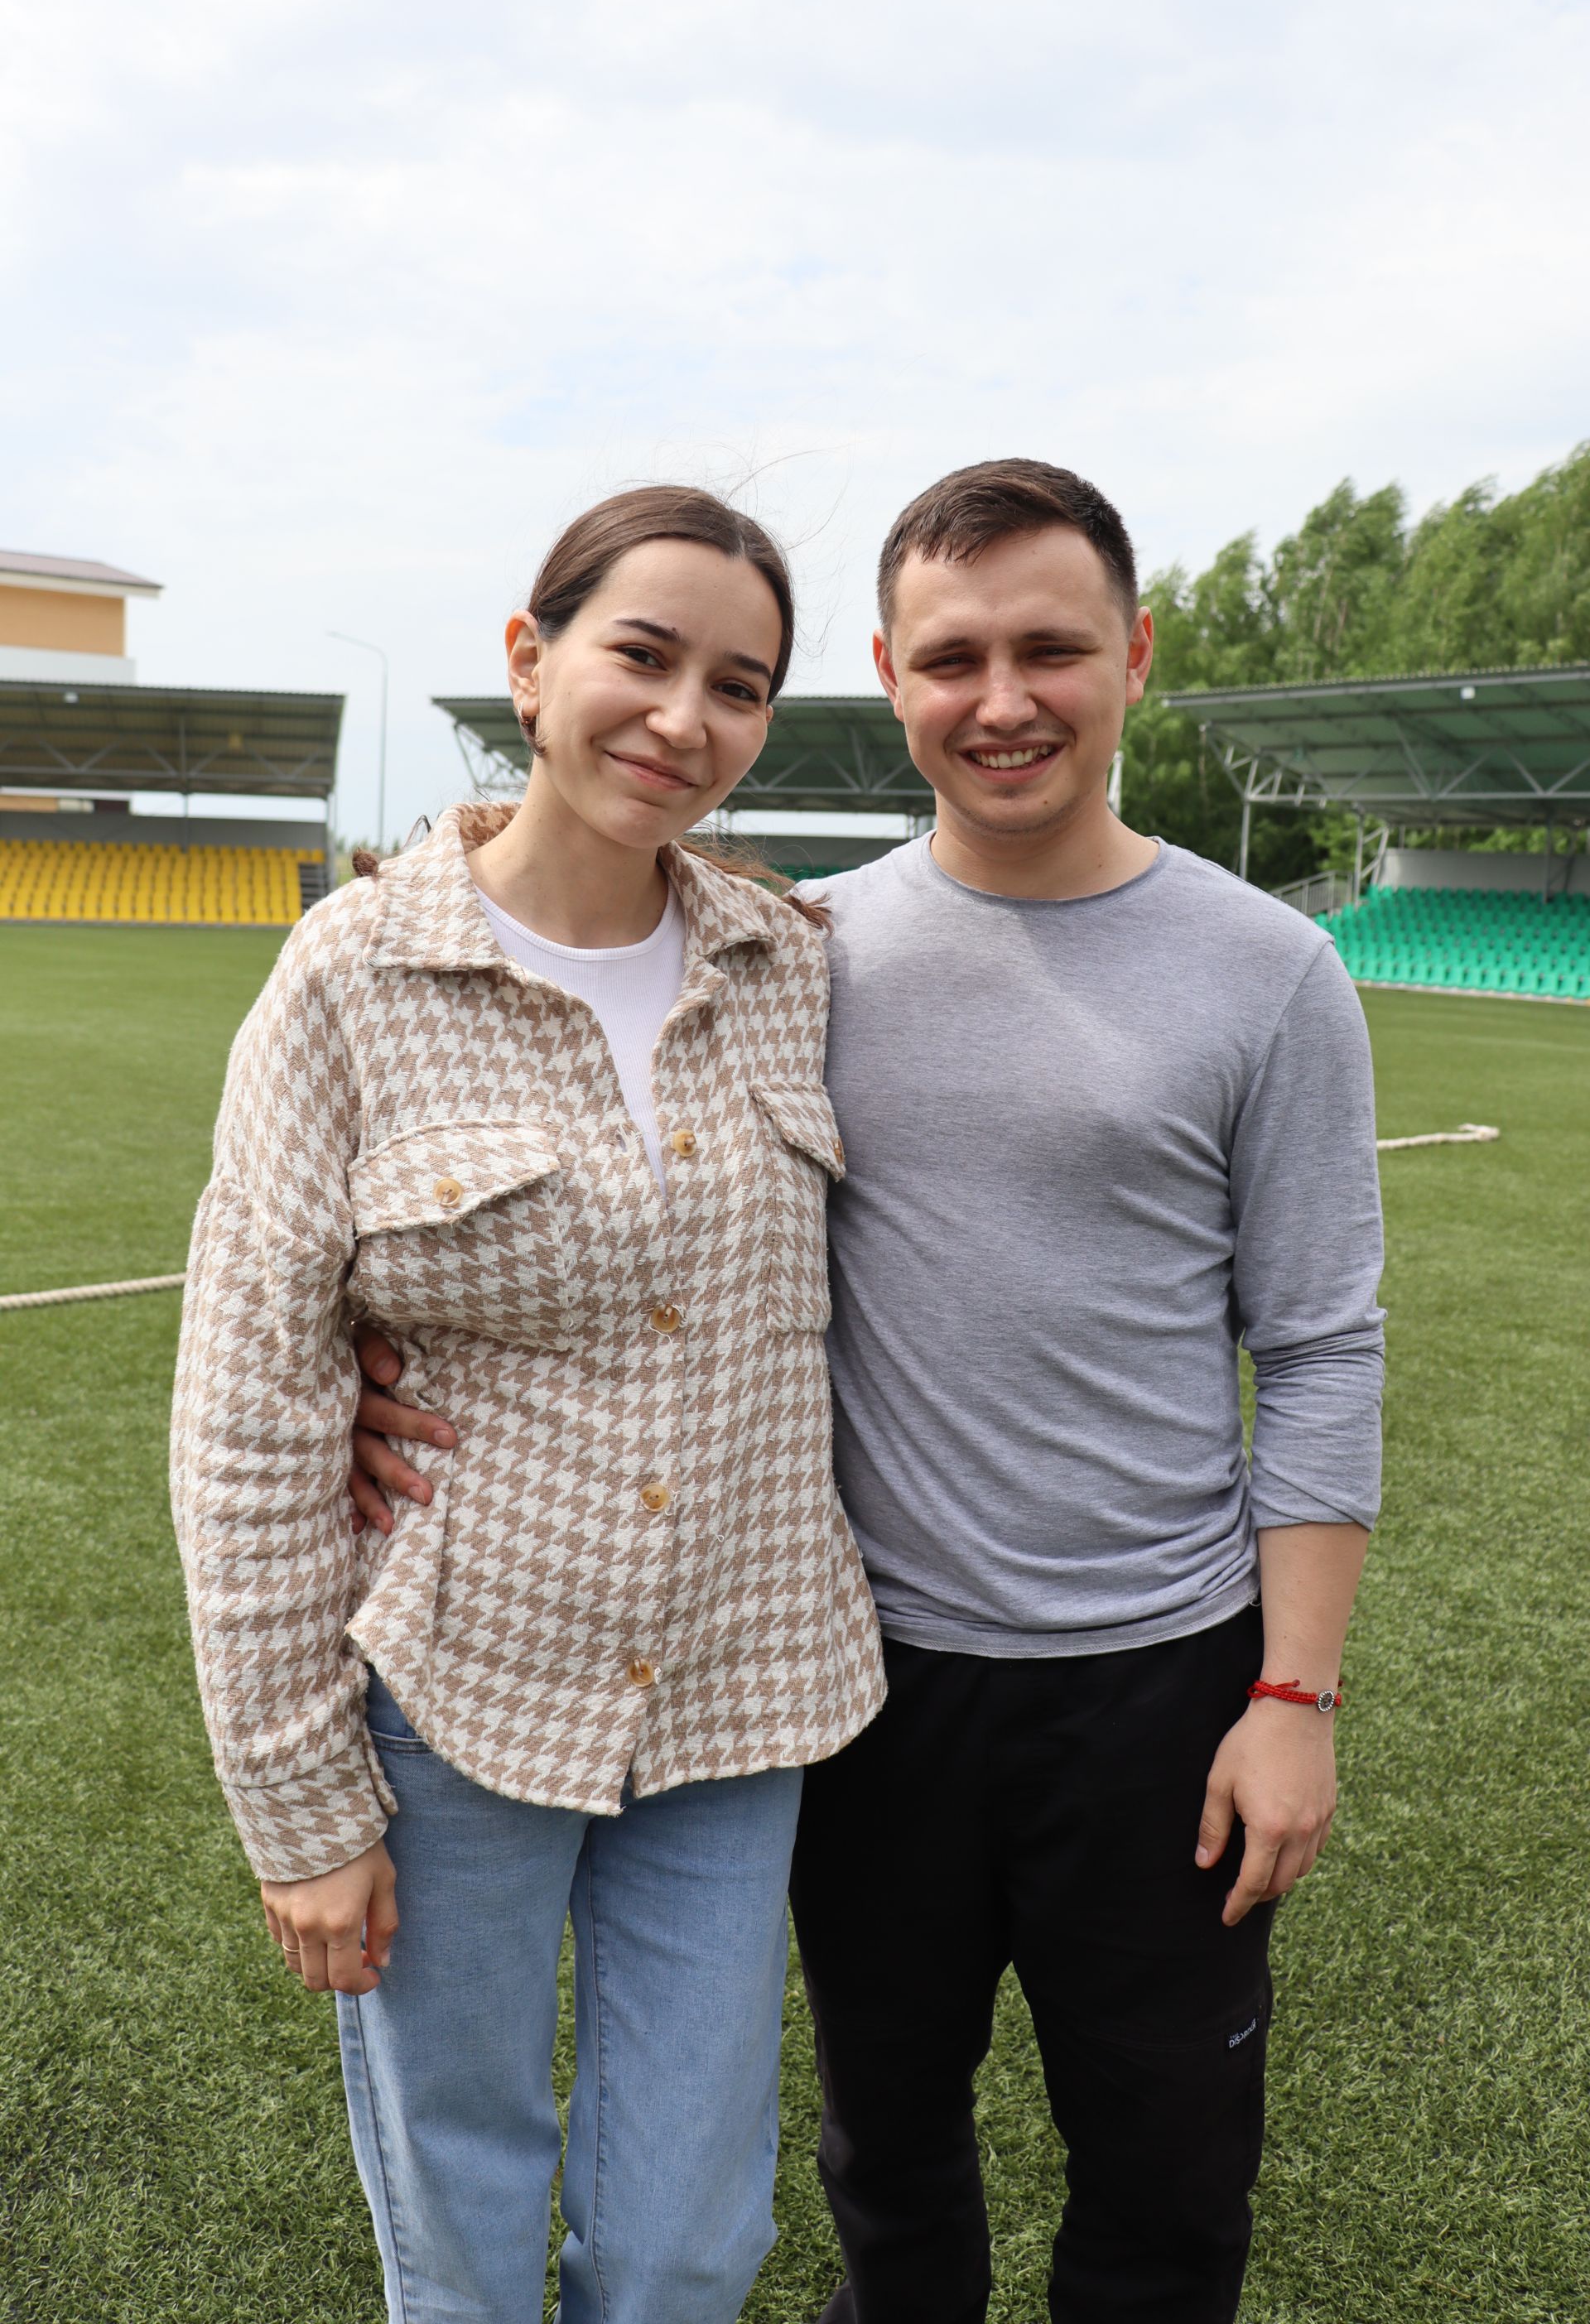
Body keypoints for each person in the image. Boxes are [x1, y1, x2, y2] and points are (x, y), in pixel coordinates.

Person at [348, 458, 1385, 2324]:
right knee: (885, 2166)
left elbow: (1318, 1342)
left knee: (1163, 2177)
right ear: (894, 680)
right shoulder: (786, 953)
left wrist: (1293, 1690)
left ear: (1133, 659)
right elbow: (617, 1195)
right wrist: (384, 1354)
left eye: (1053, 650)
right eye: (955, 658)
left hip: (1161, 1681)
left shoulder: (1274, 972)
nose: (1006, 702)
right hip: (859, 1685)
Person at [170, 484, 886, 2324]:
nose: (682, 717)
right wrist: (300, 1805)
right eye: (640, 655)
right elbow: (249, 1416)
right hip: (450, 1695)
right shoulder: (346, 979)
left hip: (740, 1691)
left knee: (683, 2244)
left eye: (739, 685)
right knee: (465, 2218)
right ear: (530, 660)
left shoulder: (789, 958)